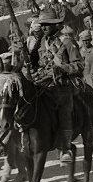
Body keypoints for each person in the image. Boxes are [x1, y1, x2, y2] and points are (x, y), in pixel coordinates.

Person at [33, 9, 83, 165]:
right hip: (43, 83)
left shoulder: (67, 41)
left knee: (64, 110)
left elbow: (79, 65)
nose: (44, 27)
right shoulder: (41, 42)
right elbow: (35, 63)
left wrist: (61, 69)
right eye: (42, 25)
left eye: (47, 24)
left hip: (62, 85)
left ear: (55, 25)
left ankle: (65, 148)